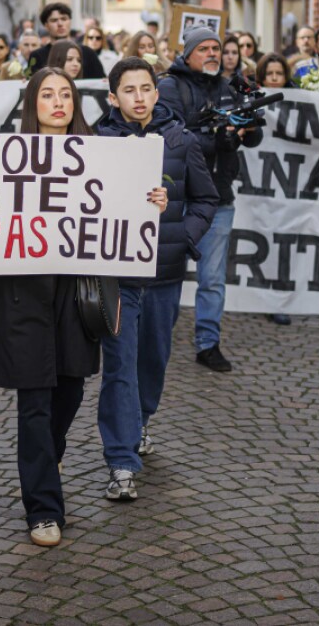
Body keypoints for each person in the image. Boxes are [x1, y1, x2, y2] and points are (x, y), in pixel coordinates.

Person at [0, 69, 153, 548]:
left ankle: (49, 454)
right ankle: (43, 508)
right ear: (32, 103)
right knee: (34, 399)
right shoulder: (6, 156)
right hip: (22, 293)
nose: (58, 102)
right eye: (47, 94)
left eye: (65, 94)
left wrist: (150, 201)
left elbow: (123, 207)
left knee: (71, 389)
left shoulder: (100, 153)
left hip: (76, 292)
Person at [94, 58, 217, 501]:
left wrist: (182, 236)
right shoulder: (96, 143)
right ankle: (122, 461)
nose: (140, 97)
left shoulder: (181, 140)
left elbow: (206, 200)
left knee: (152, 362)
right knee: (120, 366)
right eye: (129, 90)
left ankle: (141, 420)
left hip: (164, 276)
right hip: (117, 278)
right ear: (113, 97)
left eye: (146, 88)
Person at [157, 27, 265, 372]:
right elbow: (171, 135)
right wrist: (217, 138)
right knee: (168, 274)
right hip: (176, 199)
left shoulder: (230, 87)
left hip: (218, 196)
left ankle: (208, 343)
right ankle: (159, 337)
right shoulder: (169, 87)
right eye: (203, 48)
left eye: (215, 48)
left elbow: (253, 138)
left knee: (213, 278)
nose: (212, 54)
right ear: (187, 54)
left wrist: (247, 127)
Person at [28, 3, 105, 78]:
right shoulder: (37, 56)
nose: (60, 24)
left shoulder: (88, 53)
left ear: (70, 21)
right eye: (54, 20)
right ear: (46, 25)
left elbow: (101, 81)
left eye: (64, 19)